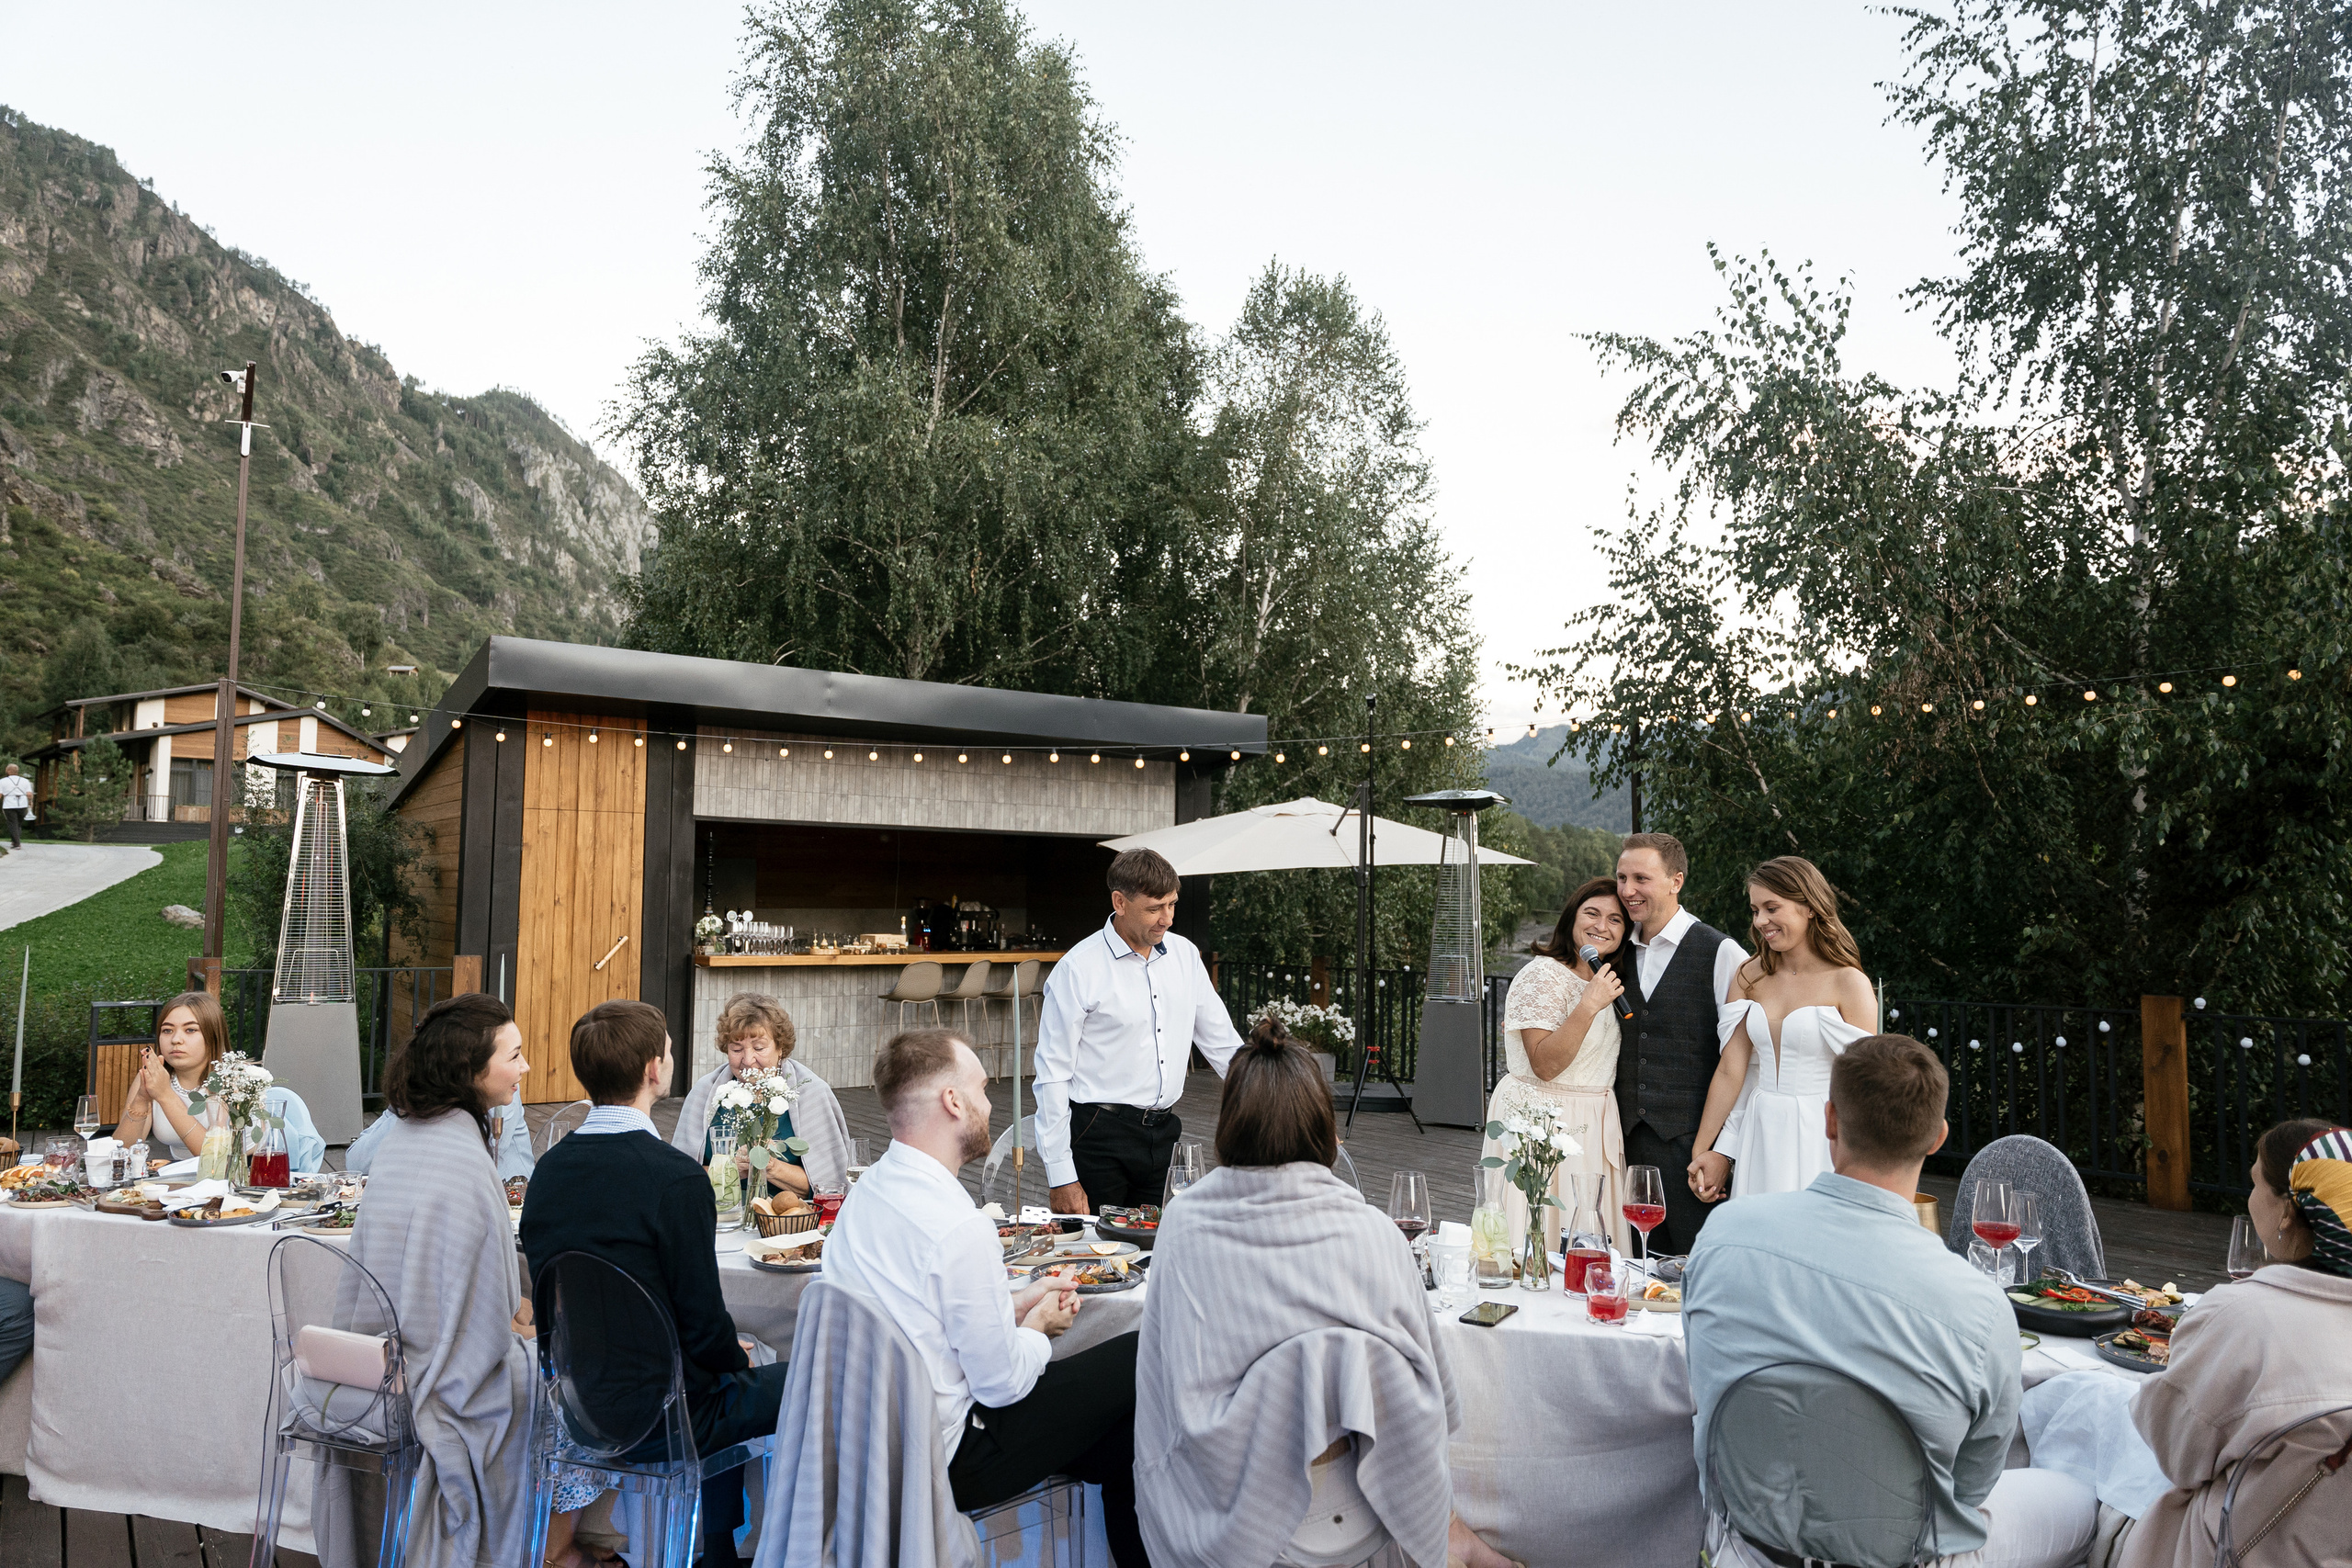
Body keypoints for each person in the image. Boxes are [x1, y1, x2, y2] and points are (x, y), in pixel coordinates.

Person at [1684, 1032, 2098, 1568]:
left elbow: (1706, 1391)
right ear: (1938, 1137)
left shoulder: (1723, 1234)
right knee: (2083, 1498)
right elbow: (1970, 1487)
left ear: (1830, 1121)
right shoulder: (1979, 1306)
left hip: (1747, 1548)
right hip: (1904, 1558)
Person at [1136, 1018, 1513, 1568]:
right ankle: (1455, 1538)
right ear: (1324, 1128)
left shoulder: (1185, 1225)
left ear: (1229, 1124)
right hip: (1366, 1502)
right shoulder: (1376, 1233)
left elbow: (1164, 1381)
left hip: (1233, 1509)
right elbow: (1432, 1389)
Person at [821, 1028, 1147, 1567]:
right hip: (949, 1460)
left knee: (1127, 1437)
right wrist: (1039, 1328)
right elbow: (1002, 1384)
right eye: (982, 1088)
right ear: (953, 1101)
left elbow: (921, 1316)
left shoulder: (867, 1194)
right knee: (1142, 1352)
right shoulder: (957, 1225)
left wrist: (1012, 1306)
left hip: (871, 1443)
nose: (991, 1103)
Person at [519, 999, 789, 1568]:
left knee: (730, 1366)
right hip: (668, 1415)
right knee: (816, 1374)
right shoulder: (675, 1178)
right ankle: (794, 1547)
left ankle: (716, 1547)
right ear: (652, 1069)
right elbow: (703, 1326)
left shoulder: (548, 1172)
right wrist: (732, 1358)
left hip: (581, 1405)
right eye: (667, 1050)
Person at [2019, 1119, 2352, 1568]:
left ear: (2288, 1212)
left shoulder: (2240, 1316)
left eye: (2255, 1183)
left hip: (2219, 1551)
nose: (2250, 1197)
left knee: (2069, 1430)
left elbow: (2176, 1459)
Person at [314, 993, 536, 1568]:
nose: (525, 1067)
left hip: (374, 1361)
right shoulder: (465, 1157)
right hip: (438, 1379)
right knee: (558, 1377)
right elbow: (489, 1321)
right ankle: (565, 1551)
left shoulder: (404, 1140)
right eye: (513, 1055)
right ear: (471, 1069)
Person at [1035, 848, 1243, 1214]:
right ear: (1120, 902)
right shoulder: (1077, 969)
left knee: (1162, 1243)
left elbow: (1224, 1046)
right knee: (1096, 1246)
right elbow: (1052, 1075)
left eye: (1172, 904)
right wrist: (1060, 1175)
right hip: (1097, 1135)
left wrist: (1286, 1109)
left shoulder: (1185, 956)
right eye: (1154, 908)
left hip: (1165, 1134)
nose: (1167, 919)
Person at [1688, 857, 1876, 1201]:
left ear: (1810, 907)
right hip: (1760, 1129)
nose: (1760, 921)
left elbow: (1866, 1085)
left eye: (1772, 908)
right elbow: (1732, 1070)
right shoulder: (1749, 975)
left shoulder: (1849, 982)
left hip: (1823, 1134)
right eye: (1755, 910)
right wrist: (1705, 1150)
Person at [1611, 832, 1747, 1255]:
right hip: (1623, 1147)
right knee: (1635, 1271)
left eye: (1641, 878)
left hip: (1694, 1154)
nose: (1627, 891)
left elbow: (1745, 1063)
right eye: (1621, 878)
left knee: (1701, 1270)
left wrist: (1724, 1151)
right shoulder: (1614, 951)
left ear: (1676, 881)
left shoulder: (1722, 952)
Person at [1483, 876, 1633, 1252]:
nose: (1602, 926)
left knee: (1588, 1242)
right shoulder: (1542, 974)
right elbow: (1544, 1065)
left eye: (1615, 919)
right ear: (1571, 918)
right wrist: (1588, 1004)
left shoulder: (1604, 978)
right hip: (1542, 1120)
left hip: (1593, 1125)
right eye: (1592, 913)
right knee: (1537, 1234)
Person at [111, 990, 326, 1172]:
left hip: (244, 1177)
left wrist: (165, 1096)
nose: (176, 1039)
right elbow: (121, 1154)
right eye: (167, 1030)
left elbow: (216, 1160)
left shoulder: (236, 1080)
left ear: (212, 1035)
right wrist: (142, 1098)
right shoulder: (155, 1077)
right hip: (180, 1179)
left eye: (190, 1030)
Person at [670, 992, 852, 1196]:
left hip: (791, 1213)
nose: (748, 1060)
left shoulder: (811, 1093)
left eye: (759, 1048)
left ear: (780, 1048)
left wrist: (771, 1166)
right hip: (719, 1210)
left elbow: (830, 1185)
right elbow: (680, 1177)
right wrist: (729, 1168)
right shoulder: (705, 1093)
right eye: (736, 1049)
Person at [344, 1081, 533, 1180]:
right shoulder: (420, 1092)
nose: (523, 1067)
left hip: (512, 1206)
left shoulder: (500, 1090)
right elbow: (358, 1164)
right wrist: (416, 1106)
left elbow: (482, 1154)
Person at [1, 762, 32, 848]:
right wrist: (30, 802)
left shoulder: (2, 781)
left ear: (8, 771)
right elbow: (29, 794)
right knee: (18, 824)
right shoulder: (25, 781)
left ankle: (17, 843)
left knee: (12, 824)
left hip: (9, 804)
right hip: (22, 804)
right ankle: (14, 842)